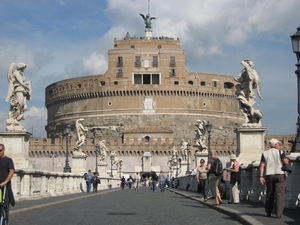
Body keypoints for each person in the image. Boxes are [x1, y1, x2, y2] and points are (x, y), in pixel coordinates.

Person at [259, 138, 289, 219]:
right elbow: (285, 162)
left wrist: (261, 176)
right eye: (278, 144)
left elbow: (262, 165)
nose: (279, 145)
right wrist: (286, 160)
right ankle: (278, 214)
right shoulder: (280, 152)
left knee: (270, 193)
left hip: (269, 175)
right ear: (275, 145)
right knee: (280, 195)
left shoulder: (265, 153)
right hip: (280, 175)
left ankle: (268, 211)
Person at [0, 144, 15, 224]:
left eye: (0, 150)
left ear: (4, 150)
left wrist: (6, 181)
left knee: (5, 206)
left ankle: (5, 222)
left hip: (5, 187)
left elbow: (11, 171)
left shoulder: (8, 160)